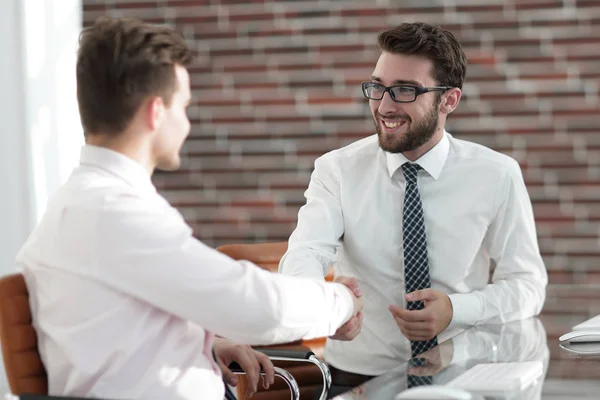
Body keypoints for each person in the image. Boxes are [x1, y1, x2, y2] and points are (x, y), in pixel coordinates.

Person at [15, 17, 362, 400]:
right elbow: (256, 308)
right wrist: (341, 301)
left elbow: (105, 325)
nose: (187, 121)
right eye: (184, 106)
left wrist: (203, 346)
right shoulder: (117, 212)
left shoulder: (75, 203)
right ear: (156, 112)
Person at [279, 22, 548, 382]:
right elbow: (305, 254)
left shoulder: (497, 175)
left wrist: (457, 309)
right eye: (377, 87)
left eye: (405, 90)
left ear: (449, 100)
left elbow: (528, 286)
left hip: (464, 373)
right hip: (356, 377)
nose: (384, 106)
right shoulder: (337, 170)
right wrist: (322, 310)